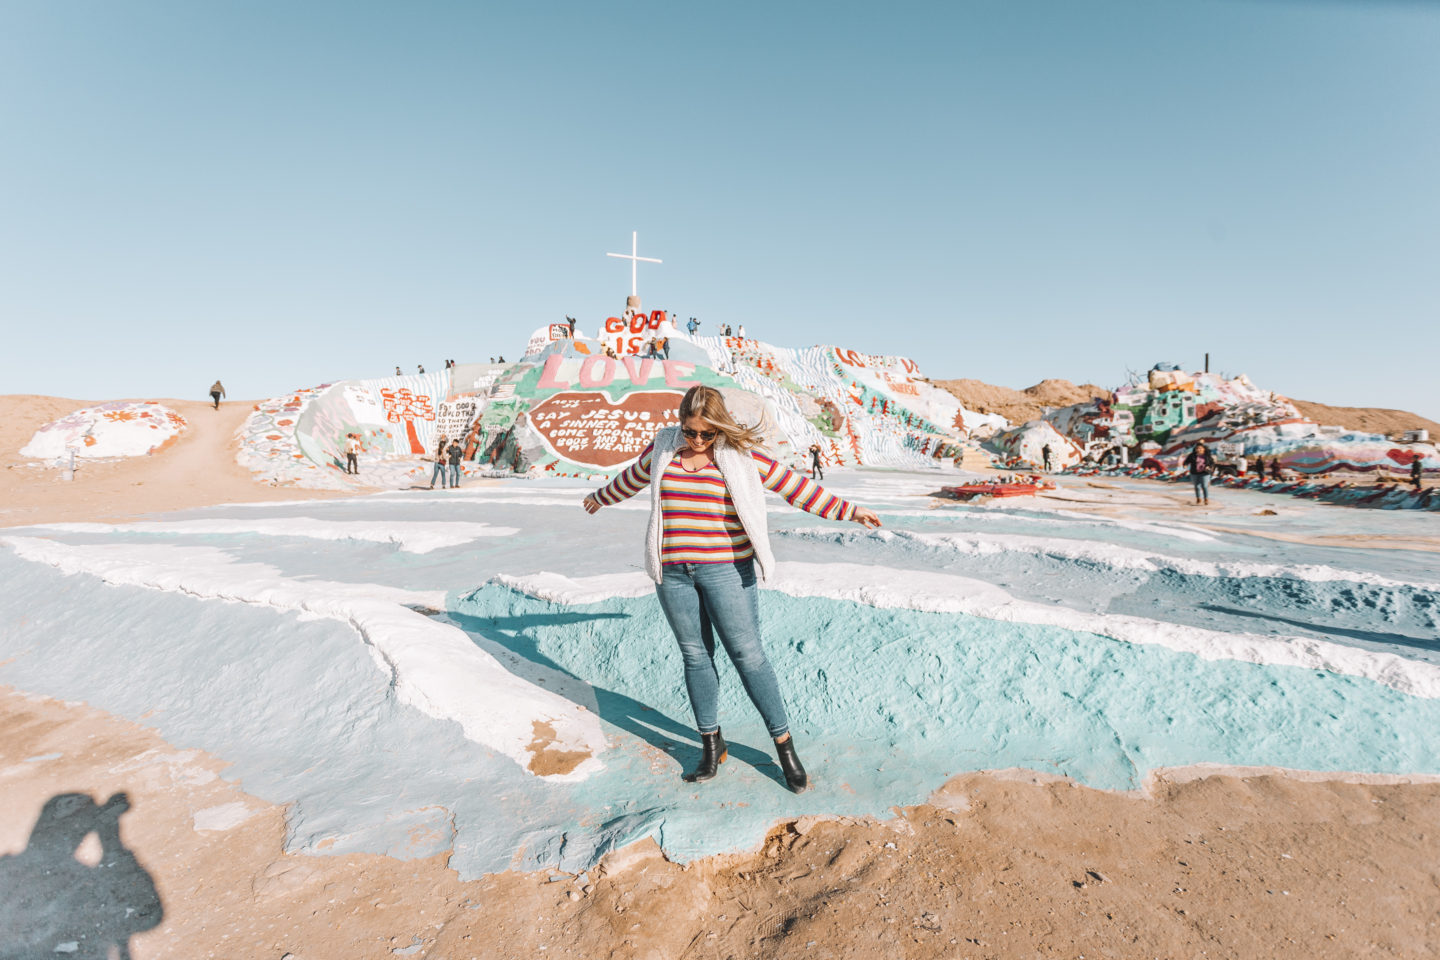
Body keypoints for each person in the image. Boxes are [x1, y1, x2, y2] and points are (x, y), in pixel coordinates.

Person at [583, 385, 883, 793]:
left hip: (726, 571)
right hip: (673, 572)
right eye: (692, 432)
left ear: (720, 426)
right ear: (681, 423)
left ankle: (784, 747)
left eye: (708, 434)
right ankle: (710, 743)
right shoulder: (664, 448)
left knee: (748, 655)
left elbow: (796, 488)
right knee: (695, 656)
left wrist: (849, 511)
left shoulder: (740, 455)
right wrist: (600, 498)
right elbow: (631, 479)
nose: (699, 441)